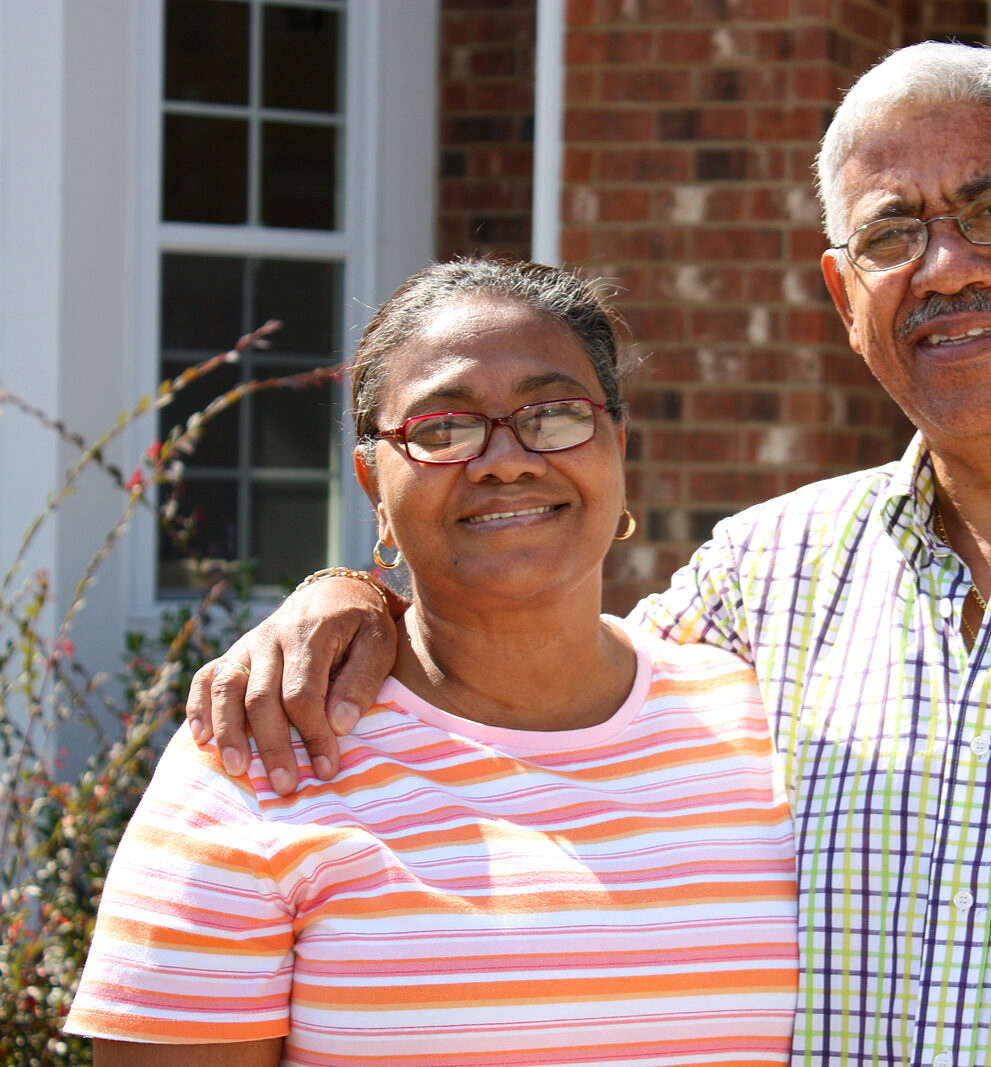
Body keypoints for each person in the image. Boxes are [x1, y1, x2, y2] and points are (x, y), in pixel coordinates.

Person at [188, 43, 991, 1066]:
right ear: (843, 296)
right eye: (891, 234)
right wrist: (352, 585)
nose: (944, 266)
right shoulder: (764, 577)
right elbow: (530, 677)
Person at [65, 259, 798, 1065]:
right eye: (441, 429)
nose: (506, 459)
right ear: (372, 482)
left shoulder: (761, 727)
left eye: (553, 414)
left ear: (617, 447)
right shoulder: (259, 753)